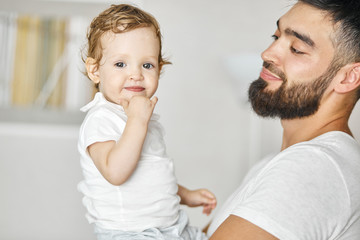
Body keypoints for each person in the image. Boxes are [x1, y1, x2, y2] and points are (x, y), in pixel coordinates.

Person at [207, 0, 360, 239]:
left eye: (297, 48)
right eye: (275, 36)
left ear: (348, 78)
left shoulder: (313, 166)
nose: (267, 53)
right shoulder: (277, 163)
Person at [77, 4, 217, 240]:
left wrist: (186, 194)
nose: (136, 74)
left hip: (173, 226)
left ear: (159, 69)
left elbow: (153, 176)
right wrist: (137, 120)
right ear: (95, 70)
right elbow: (116, 172)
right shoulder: (100, 119)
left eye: (147, 65)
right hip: (130, 233)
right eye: (120, 64)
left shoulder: (140, 118)